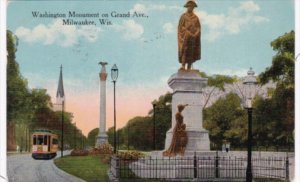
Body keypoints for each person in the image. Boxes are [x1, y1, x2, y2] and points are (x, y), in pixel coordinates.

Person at [178, 0, 201, 70]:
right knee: (185, 50)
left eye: (192, 7)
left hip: (193, 38)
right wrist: (187, 32)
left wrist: (196, 33)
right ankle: (183, 66)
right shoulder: (183, 16)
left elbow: (198, 27)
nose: (191, 8)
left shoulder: (196, 17)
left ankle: (189, 67)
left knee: (191, 51)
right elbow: (180, 27)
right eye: (190, 6)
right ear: (187, 7)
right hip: (186, 37)